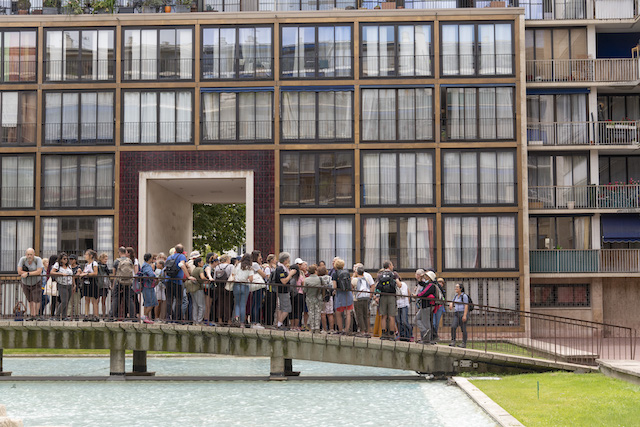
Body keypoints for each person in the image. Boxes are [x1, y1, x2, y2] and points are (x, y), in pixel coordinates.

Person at [374, 261, 401, 340]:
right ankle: (391, 334)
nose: (393, 266)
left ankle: (383, 334)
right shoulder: (394, 274)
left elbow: (376, 286)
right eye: (392, 265)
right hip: (392, 296)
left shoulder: (380, 275)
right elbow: (399, 285)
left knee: (383, 316)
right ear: (389, 266)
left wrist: (376, 296)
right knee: (391, 316)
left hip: (383, 296)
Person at [165, 244, 192, 322]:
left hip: (168, 280)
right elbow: (182, 265)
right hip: (177, 281)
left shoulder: (169, 257)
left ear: (175, 250)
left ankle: (168, 317)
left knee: (169, 299)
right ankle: (177, 318)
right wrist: (188, 276)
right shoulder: (181, 256)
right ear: (182, 251)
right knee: (179, 300)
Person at [17, 248, 44, 318]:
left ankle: (37, 314)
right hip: (25, 283)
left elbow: (39, 271)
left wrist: (28, 274)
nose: (29, 256)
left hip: (36, 282)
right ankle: (32, 315)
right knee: (30, 299)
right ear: (26, 254)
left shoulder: (38, 260)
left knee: (36, 299)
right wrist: (28, 273)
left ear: (34, 255)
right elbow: (19, 271)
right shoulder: (22, 259)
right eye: (28, 254)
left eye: (31, 254)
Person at [331, 258, 354, 334]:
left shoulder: (335, 274)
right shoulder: (347, 272)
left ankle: (340, 330)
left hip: (340, 294)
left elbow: (334, 286)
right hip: (348, 294)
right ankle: (347, 330)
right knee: (348, 313)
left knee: (338, 313)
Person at [275, 252, 296, 330]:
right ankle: (279, 323)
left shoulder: (282, 267)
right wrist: (290, 274)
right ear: (285, 260)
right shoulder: (280, 269)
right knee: (287, 308)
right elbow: (283, 281)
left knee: (282, 308)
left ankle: (279, 323)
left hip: (283, 291)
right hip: (283, 291)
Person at [231, 254, 253, 327]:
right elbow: (251, 279)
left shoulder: (237, 265)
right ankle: (242, 323)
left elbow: (233, 274)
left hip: (236, 285)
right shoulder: (249, 267)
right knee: (243, 304)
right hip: (245, 285)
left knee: (237, 303)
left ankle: (236, 318)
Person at [415, 269, 436, 344]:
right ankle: (425, 332)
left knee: (426, 322)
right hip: (424, 305)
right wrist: (420, 278)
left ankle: (427, 340)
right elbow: (421, 283)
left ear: (430, 278)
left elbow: (424, 293)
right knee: (417, 319)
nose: (425, 277)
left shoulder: (431, 285)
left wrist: (416, 295)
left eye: (426, 276)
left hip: (428, 305)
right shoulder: (427, 284)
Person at [51, 252, 73, 320]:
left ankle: (64, 316)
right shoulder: (57, 265)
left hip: (69, 284)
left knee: (67, 301)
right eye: (64, 259)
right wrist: (61, 274)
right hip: (62, 284)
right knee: (64, 301)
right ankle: (57, 315)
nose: (66, 260)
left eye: (67, 258)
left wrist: (74, 284)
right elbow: (52, 272)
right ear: (60, 259)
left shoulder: (69, 265)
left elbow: (72, 275)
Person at [78, 249, 99, 321]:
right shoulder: (86, 264)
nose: (85, 256)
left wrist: (86, 274)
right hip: (86, 282)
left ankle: (96, 316)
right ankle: (86, 315)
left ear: (91, 256)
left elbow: (95, 273)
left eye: (86, 254)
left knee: (94, 300)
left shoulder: (94, 263)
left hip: (92, 282)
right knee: (86, 299)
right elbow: (83, 272)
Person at [304, 264, 325, 333]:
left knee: (311, 312)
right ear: (316, 271)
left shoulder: (306, 280)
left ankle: (312, 328)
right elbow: (324, 287)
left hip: (310, 297)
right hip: (318, 297)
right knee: (318, 313)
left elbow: (305, 290)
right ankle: (317, 328)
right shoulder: (320, 279)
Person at [352, 264, 372, 336]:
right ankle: (367, 331)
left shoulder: (355, 279)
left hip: (357, 299)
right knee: (365, 314)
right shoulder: (366, 278)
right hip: (366, 298)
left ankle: (362, 331)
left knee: (359, 314)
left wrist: (354, 276)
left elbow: (351, 287)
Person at [214, 254, 234, 324]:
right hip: (228, 285)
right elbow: (233, 275)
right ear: (227, 259)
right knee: (228, 303)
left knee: (220, 303)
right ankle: (228, 320)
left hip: (219, 286)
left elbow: (214, 277)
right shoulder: (230, 266)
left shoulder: (217, 267)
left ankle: (220, 320)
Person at [250, 250, 267, 329]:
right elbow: (263, 275)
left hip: (254, 286)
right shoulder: (255, 264)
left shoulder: (252, 264)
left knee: (254, 303)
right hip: (258, 285)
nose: (261, 258)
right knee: (257, 304)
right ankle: (255, 322)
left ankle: (253, 322)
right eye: (260, 256)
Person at [449, 283, 469, 348]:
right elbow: (452, 301)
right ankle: (453, 341)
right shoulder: (456, 296)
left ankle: (464, 343)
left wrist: (465, 315)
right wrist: (451, 304)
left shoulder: (464, 296)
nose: (456, 288)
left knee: (463, 328)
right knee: (453, 326)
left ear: (461, 288)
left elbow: (466, 305)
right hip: (456, 313)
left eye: (457, 287)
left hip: (462, 313)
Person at [139, 253, 157, 323]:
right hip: (148, 286)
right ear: (150, 259)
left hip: (146, 286)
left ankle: (145, 318)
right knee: (152, 303)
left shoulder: (144, 265)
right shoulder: (147, 266)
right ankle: (144, 316)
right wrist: (155, 277)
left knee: (147, 303)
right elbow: (151, 275)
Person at [203, 253, 219, 325]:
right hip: (208, 288)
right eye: (217, 262)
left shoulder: (213, 268)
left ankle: (207, 319)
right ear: (214, 262)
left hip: (211, 288)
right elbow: (208, 272)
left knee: (209, 304)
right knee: (207, 305)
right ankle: (206, 320)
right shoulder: (208, 266)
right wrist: (210, 278)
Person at [263, 254, 277, 326]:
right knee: (270, 305)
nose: (276, 260)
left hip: (273, 289)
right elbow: (268, 278)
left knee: (273, 306)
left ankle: (271, 321)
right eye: (275, 259)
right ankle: (268, 322)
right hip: (269, 288)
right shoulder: (268, 268)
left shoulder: (274, 268)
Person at [318, 265, 334, 333]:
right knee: (330, 313)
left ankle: (324, 329)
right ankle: (331, 329)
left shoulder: (318, 278)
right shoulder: (329, 278)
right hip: (329, 297)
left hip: (321, 297)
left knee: (323, 314)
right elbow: (332, 287)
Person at [97, 253, 112, 319]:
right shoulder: (97, 266)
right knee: (97, 301)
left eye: (106, 259)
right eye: (105, 259)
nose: (106, 261)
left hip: (105, 284)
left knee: (103, 301)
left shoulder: (106, 267)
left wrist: (109, 284)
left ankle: (103, 315)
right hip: (99, 284)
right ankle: (96, 314)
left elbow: (108, 276)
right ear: (101, 259)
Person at [67, 254, 81, 319]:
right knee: (69, 301)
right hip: (69, 285)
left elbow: (77, 275)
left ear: (75, 260)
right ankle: (68, 315)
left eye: (72, 259)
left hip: (77, 286)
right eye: (70, 259)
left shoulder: (78, 267)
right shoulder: (68, 267)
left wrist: (73, 276)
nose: (70, 260)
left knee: (76, 301)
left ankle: (77, 315)